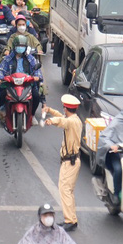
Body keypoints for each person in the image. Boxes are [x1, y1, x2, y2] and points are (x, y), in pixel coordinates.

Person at [42, 95, 84, 231]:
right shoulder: (75, 119)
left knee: (65, 190)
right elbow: (62, 117)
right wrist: (50, 110)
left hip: (69, 162)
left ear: (66, 108)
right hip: (72, 161)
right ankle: (72, 219)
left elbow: (61, 121)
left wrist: (50, 120)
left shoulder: (71, 122)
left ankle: (70, 220)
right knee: (68, 191)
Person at [0, 35, 44, 123]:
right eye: (18, 46)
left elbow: (37, 69)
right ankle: (3, 112)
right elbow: (1, 69)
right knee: (2, 95)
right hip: (11, 83)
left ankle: (32, 115)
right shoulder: (8, 59)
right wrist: (0, 77)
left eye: (22, 46)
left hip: (27, 83)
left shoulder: (30, 59)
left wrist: (37, 76)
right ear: (14, 47)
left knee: (36, 96)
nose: (20, 48)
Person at [15, 203, 80, 244]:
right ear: (40, 217)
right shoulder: (33, 232)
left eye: (50, 215)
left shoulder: (60, 232)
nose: (48, 217)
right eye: (45, 215)